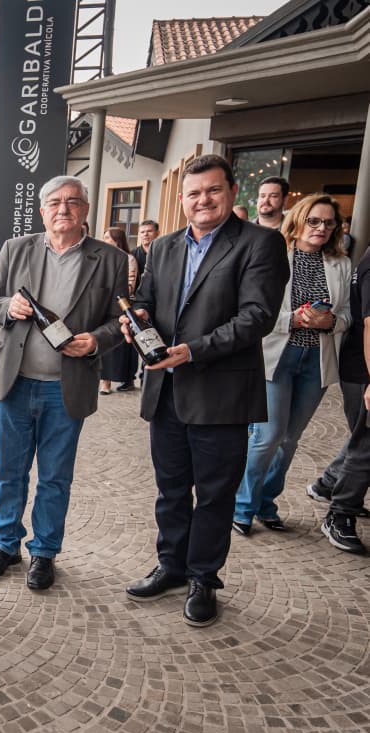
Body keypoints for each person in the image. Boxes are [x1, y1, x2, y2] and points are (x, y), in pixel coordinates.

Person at [123, 154, 289, 627]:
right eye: (194, 193)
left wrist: (191, 351)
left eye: (213, 190)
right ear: (182, 199)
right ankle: (172, 566)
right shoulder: (165, 247)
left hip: (221, 395)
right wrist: (135, 320)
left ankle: (203, 578)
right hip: (166, 393)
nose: (203, 200)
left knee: (214, 495)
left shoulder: (261, 243)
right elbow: (146, 301)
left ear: (232, 192)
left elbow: (256, 317)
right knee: (171, 490)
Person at [0, 175, 128, 590]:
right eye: (55, 202)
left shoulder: (109, 259)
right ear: (42, 210)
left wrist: (97, 340)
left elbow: (122, 319)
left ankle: (44, 552)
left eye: (73, 202)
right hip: (17, 382)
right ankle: (6, 545)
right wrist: (10, 305)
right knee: (10, 472)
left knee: (56, 477)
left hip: (67, 387)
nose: (64, 209)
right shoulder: (16, 249)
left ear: (86, 210)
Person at [233, 194, 350, 536]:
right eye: (314, 221)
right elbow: (251, 310)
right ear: (298, 220)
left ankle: (267, 502)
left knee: (291, 438)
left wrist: (330, 322)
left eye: (328, 223)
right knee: (268, 436)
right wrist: (292, 322)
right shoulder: (274, 256)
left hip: (316, 358)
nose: (321, 228)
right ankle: (242, 505)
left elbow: (347, 316)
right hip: (276, 356)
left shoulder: (340, 264)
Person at [319, 244, 370, 554]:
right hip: (362, 371)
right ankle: (340, 513)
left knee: (362, 439)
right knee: (366, 445)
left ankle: (328, 482)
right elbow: (369, 325)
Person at [99, 227, 141, 394]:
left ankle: (115, 380)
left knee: (116, 345)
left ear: (117, 240)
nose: (104, 240)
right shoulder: (102, 257)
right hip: (103, 304)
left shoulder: (128, 259)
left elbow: (129, 287)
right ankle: (104, 381)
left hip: (121, 305)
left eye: (107, 237)